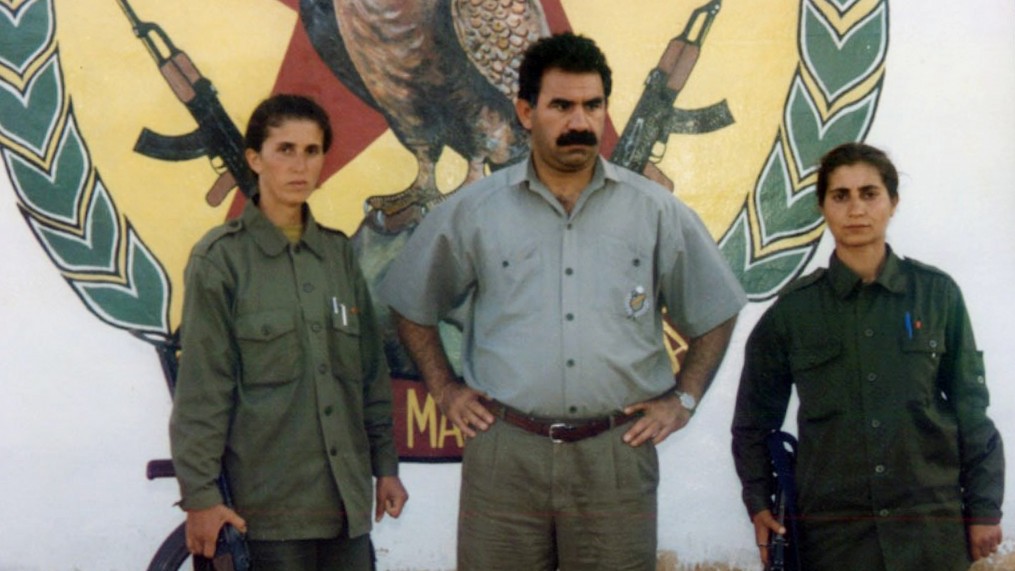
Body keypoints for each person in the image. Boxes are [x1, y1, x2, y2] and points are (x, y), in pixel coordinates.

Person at [378, 33, 746, 570]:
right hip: (506, 455)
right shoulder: (476, 210)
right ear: (527, 112)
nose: (580, 121)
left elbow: (716, 309)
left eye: (592, 105)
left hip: (616, 458)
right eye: (562, 105)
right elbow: (410, 303)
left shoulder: (654, 212)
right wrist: (444, 388)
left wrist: (683, 399)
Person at [731, 142, 1005, 570]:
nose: (855, 208)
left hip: (930, 531)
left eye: (869, 193)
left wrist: (985, 509)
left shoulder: (937, 295)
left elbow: (972, 409)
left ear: (892, 202)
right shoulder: (793, 311)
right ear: (823, 206)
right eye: (840, 196)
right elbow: (753, 423)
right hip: (836, 539)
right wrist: (758, 502)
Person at [170, 94, 408, 570]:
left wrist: (386, 468)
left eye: (312, 151)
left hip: (345, 508)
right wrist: (199, 497)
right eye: (285, 150)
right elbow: (202, 390)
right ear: (255, 159)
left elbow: (368, 380)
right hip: (266, 513)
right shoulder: (222, 260)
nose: (300, 165)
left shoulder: (340, 256)